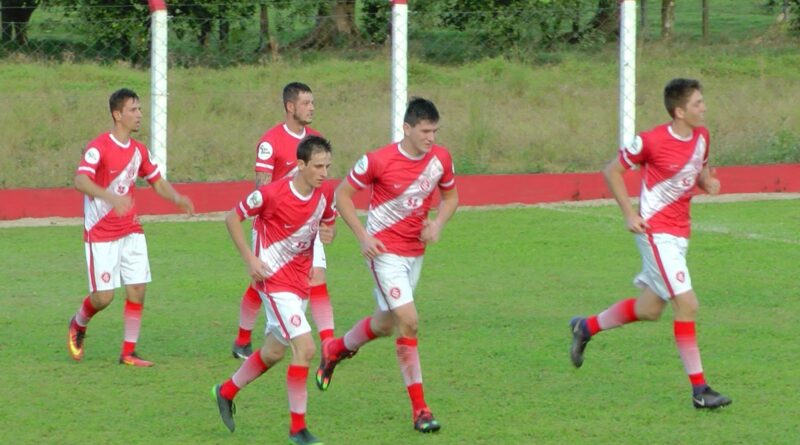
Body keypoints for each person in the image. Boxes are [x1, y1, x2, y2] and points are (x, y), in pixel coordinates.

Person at [569, 78, 731, 409]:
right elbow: (611, 171)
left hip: (680, 234)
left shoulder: (702, 136)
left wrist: (707, 182)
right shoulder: (650, 141)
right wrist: (629, 213)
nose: (705, 108)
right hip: (655, 233)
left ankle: (586, 327)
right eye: (698, 103)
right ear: (680, 111)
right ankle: (700, 391)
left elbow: (699, 170)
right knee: (688, 304)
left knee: (649, 309)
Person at [315, 97, 458, 433]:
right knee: (408, 321)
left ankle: (335, 349)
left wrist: (437, 224)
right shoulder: (377, 160)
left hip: (415, 253)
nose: (431, 138)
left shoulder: (441, 159)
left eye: (434, 131)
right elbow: (342, 195)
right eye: (424, 131)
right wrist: (364, 237)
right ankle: (421, 410)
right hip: (384, 254)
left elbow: (450, 197)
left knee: (384, 324)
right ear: (407, 128)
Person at [213, 136, 335, 445]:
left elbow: (328, 223)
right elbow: (232, 217)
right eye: (318, 166)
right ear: (301, 165)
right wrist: (250, 259)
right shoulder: (271, 194)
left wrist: (328, 232)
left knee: (274, 351)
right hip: (273, 280)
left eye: (328, 166)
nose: (324, 173)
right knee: (305, 348)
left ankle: (225, 391)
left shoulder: (324, 196)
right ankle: (298, 428)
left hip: (298, 283)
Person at [66, 88, 194, 367]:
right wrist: (111, 197)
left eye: (139, 110)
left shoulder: (140, 151)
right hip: (100, 232)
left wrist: (176, 197)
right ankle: (78, 323)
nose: (139, 115)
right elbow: (80, 181)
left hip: (131, 229)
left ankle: (128, 352)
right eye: (133, 110)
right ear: (117, 114)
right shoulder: (98, 147)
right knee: (104, 297)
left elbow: (156, 181)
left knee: (137, 289)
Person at [231, 82, 336, 359]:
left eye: (313, 102)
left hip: (307, 224)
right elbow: (261, 187)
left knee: (317, 276)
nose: (312, 107)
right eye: (306, 103)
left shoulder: (315, 140)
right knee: (261, 281)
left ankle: (328, 344)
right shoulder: (270, 142)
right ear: (290, 107)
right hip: (275, 228)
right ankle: (243, 340)